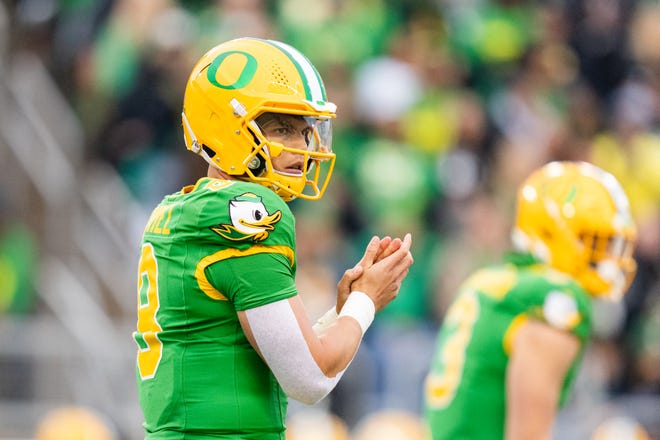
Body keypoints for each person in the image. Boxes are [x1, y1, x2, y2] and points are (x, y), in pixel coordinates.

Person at [132, 37, 414, 439]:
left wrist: (343, 313)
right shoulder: (245, 207)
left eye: (304, 130)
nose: (301, 147)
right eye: (281, 128)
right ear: (226, 127)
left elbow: (285, 359)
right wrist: (366, 302)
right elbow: (309, 379)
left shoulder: (177, 208)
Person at [424, 161, 638, 440]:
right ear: (550, 233)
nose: (608, 260)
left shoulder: (491, 282)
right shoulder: (555, 296)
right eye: (594, 242)